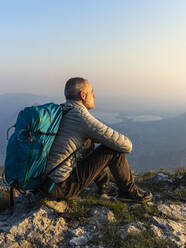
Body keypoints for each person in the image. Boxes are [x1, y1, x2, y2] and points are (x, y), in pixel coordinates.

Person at [40, 77, 152, 203]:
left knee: (88, 142)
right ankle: (128, 192)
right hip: (62, 187)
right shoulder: (80, 116)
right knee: (114, 150)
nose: (94, 95)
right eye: (92, 92)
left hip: (45, 183)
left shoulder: (61, 111)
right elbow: (126, 145)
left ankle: (105, 187)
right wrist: (105, 141)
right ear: (83, 95)